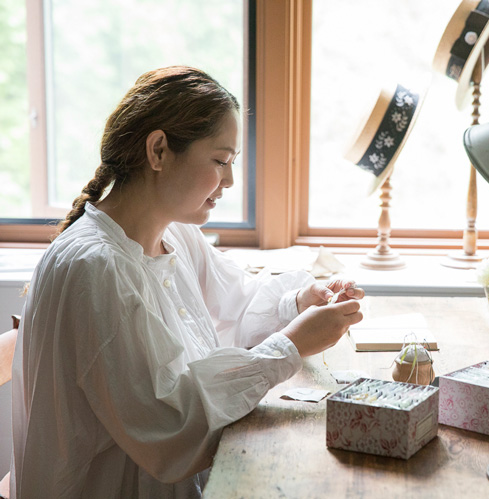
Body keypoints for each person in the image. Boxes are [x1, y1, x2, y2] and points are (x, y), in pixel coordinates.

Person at [10, 66, 364, 498]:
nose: (230, 180)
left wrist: (297, 303)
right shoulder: (97, 268)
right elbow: (168, 427)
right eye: (220, 161)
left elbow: (232, 307)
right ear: (158, 150)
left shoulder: (173, 233)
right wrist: (290, 346)